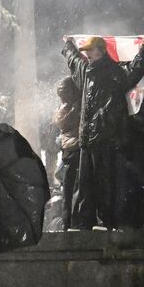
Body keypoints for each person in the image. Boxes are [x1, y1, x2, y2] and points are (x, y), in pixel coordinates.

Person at [61, 34, 144, 231]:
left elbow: (134, 71)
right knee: (85, 183)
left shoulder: (114, 73)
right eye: (85, 51)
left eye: (90, 51)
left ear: (101, 51)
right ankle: (85, 222)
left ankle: (105, 220)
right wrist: (68, 45)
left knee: (105, 182)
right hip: (88, 140)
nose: (86, 55)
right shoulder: (86, 70)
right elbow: (73, 60)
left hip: (107, 139)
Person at [52, 77, 81, 230]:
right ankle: (72, 220)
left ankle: (66, 222)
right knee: (76, 189)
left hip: (67, 152)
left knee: (68, 191)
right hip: (76, 150)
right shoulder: (74, 109)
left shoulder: (61, 109)